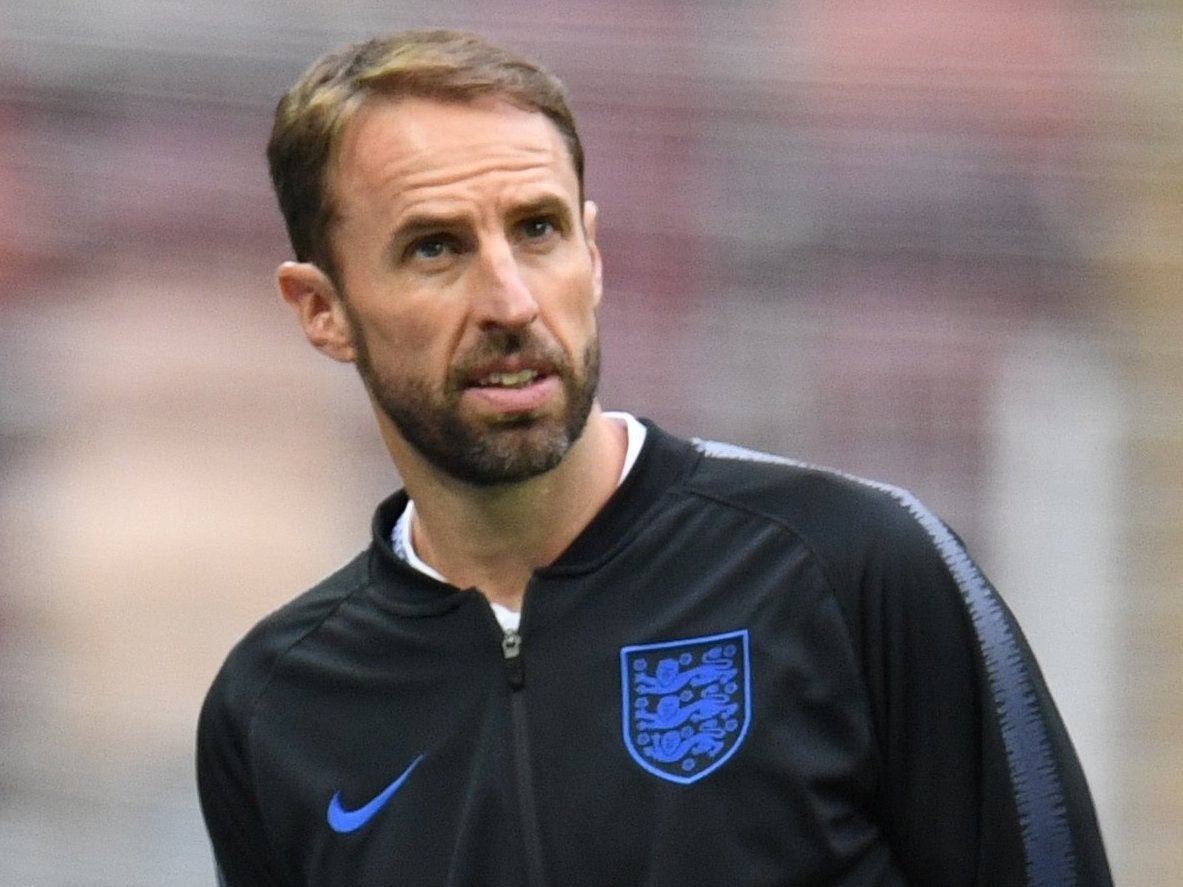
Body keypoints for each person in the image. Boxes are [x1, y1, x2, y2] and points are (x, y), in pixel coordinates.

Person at [196, 28, 1113, 886]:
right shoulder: (276, 708)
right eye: (436, 247)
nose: (510, 300)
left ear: (593, 254)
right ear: (321, 309)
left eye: (538, 230)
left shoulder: (853, 565)